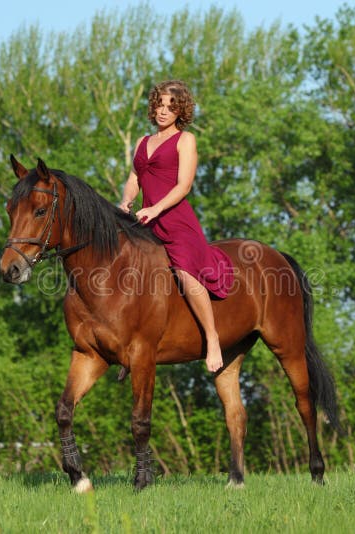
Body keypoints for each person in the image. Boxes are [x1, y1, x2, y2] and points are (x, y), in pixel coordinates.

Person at [120, 80, 233, 373]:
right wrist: (126, 201)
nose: (163, 111)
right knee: (124, 268)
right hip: (145, 221)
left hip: (176, 221)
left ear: (180, 111)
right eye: (160, 104)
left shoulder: (186, 140)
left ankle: (212, 338)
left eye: (171, 107)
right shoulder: (143, 142)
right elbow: (134, 178)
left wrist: (156, 208)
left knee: (183, 273)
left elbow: (184, 186)